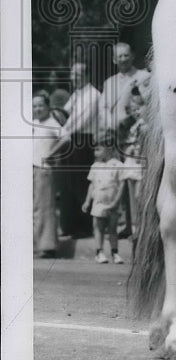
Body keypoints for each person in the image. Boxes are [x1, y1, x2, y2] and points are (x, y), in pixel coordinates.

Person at [45, 60, 100, 239]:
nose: (74, 78)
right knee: (67, 184)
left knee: (81, 182)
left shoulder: (93, 95)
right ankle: (69, 226)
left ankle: (84, 227)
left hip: (83, 141)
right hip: (70, 139)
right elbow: (63, 114)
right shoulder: (76, 94)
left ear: (87, 76)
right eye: (73, 74)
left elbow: (81, 121)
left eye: (78, 75)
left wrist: (63, 130)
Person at [82, 134, 125, 264]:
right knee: (99, 228)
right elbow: (92, 185)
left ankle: (115, 252)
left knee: (112, 228)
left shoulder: (118, 165)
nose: (95, 152)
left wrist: (116, 202)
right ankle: (99, 252)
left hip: (112, 202)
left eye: (98, 149)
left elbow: (122, 184)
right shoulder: (95, 166)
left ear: (109, 149)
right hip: (98, 202)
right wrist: (87, 201)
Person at [97, 42, 151, 135]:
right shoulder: (109, 83)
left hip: (137, 132)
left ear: (132, 56)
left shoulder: (144, 77)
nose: (123, 59)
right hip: (115, 133)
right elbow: (103, 107)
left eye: (126, 55)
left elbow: (148, 105)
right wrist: (111, 124)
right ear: (114, 60)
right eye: (120, 56)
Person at [32, 91, 61, 259]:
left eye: (40, 105)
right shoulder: (34, 123)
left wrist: (51, 154)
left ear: (48, 106)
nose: (37, 109)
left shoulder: (52, 123)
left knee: (45, 207)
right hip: (31, 167)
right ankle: (36, 244)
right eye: (34, 106)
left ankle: (47, 246)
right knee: (34, 207)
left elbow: (66, 139)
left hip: (43, 168)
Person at [116, 85, 148, 239]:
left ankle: (143, 227)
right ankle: (136, 229)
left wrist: (136, 150)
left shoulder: (145, 126)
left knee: (139, 195)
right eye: (133, 109)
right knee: (131, 198)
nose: (136, 112)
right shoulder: (131, 125)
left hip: (140, 163)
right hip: (131, 163)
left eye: (139, 108)